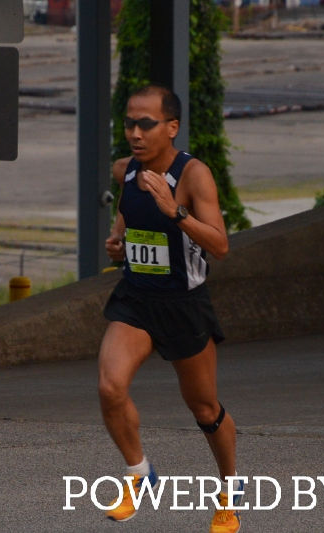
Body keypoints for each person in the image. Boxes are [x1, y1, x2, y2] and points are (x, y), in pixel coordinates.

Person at [98, 85, 240, 533]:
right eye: (129, 124)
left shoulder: (194, 175)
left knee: (204, 408)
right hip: (137, 298)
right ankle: (139, 473)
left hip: (183, 304)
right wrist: (118, 241)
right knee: (110, 387)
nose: (135, 133)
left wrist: (174, 211)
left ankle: (229, 489)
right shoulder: (125, 170)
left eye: (146, 124)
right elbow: (128, 216)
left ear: (172, 127)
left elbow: (220, 246)